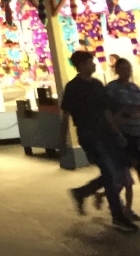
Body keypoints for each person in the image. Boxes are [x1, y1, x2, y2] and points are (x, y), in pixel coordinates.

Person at [60, 49, 137, 231]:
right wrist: (62, 139)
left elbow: (106, 110)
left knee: (117, 170)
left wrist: (116, 132)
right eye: (90, 63)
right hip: (89, 135)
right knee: (110, 173)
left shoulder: (97, 84)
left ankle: (81, 192)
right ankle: (117, 216)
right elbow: (66, 114)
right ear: (81, 65)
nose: (94, 65)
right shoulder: (73, 87)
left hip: (105, 133)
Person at [103, 58, 140, 220]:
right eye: (123, 68)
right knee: (123, 175)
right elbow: (108, 111)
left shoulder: (134, 88)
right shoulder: (112, 88)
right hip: (122, 134)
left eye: (129, 68)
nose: (127, 71)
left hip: (137, 132)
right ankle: (120, 207)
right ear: (116, 70)